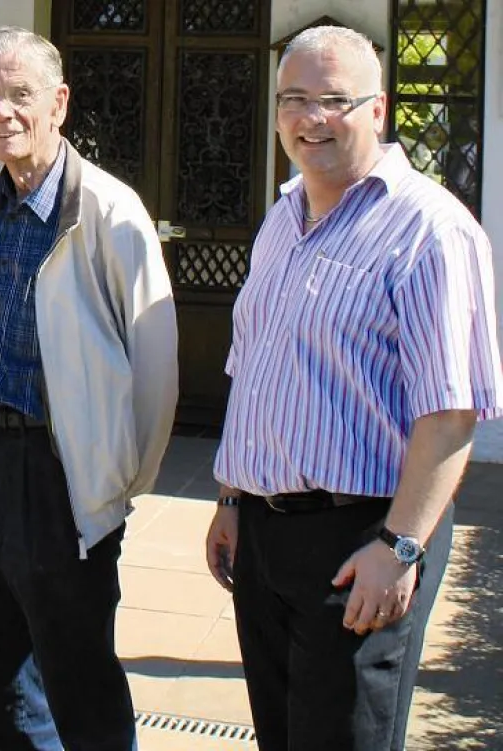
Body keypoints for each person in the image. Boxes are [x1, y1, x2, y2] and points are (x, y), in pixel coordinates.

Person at [205, 26, 503, 751]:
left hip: (361, 540)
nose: (311, 118)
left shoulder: (430, 229)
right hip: (264, 537)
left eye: (334, 99)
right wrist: (232, 500)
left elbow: (450, 412)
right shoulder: (282, 218)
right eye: (294, 99)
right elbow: (253, 368)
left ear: (379, 108)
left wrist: (399, 546)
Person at [0, 26, 178, 751]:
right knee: (2, 674)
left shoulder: (109, 211)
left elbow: (155, 365)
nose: (1, 111)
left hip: (60, 471)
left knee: (78, 675)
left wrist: (116, 481)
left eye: (20, 94)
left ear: (58, 103)